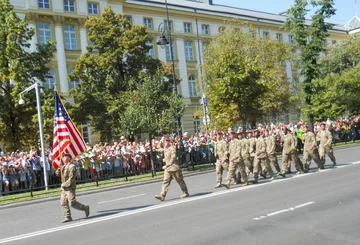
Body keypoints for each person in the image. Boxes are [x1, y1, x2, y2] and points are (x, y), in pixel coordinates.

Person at [56, 153, 90, 223]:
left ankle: (85, 208)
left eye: (64, 157)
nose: (63, 158)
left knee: (72, 202)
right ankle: (68, 216)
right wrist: (59, 169)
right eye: (63, 157)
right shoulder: (63, 166)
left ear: (69, 158)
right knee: (63, 202)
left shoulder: (72, 166)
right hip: (64, 188)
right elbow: (58, 174)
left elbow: (72, 178)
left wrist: (64, 184)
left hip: (70, 187)